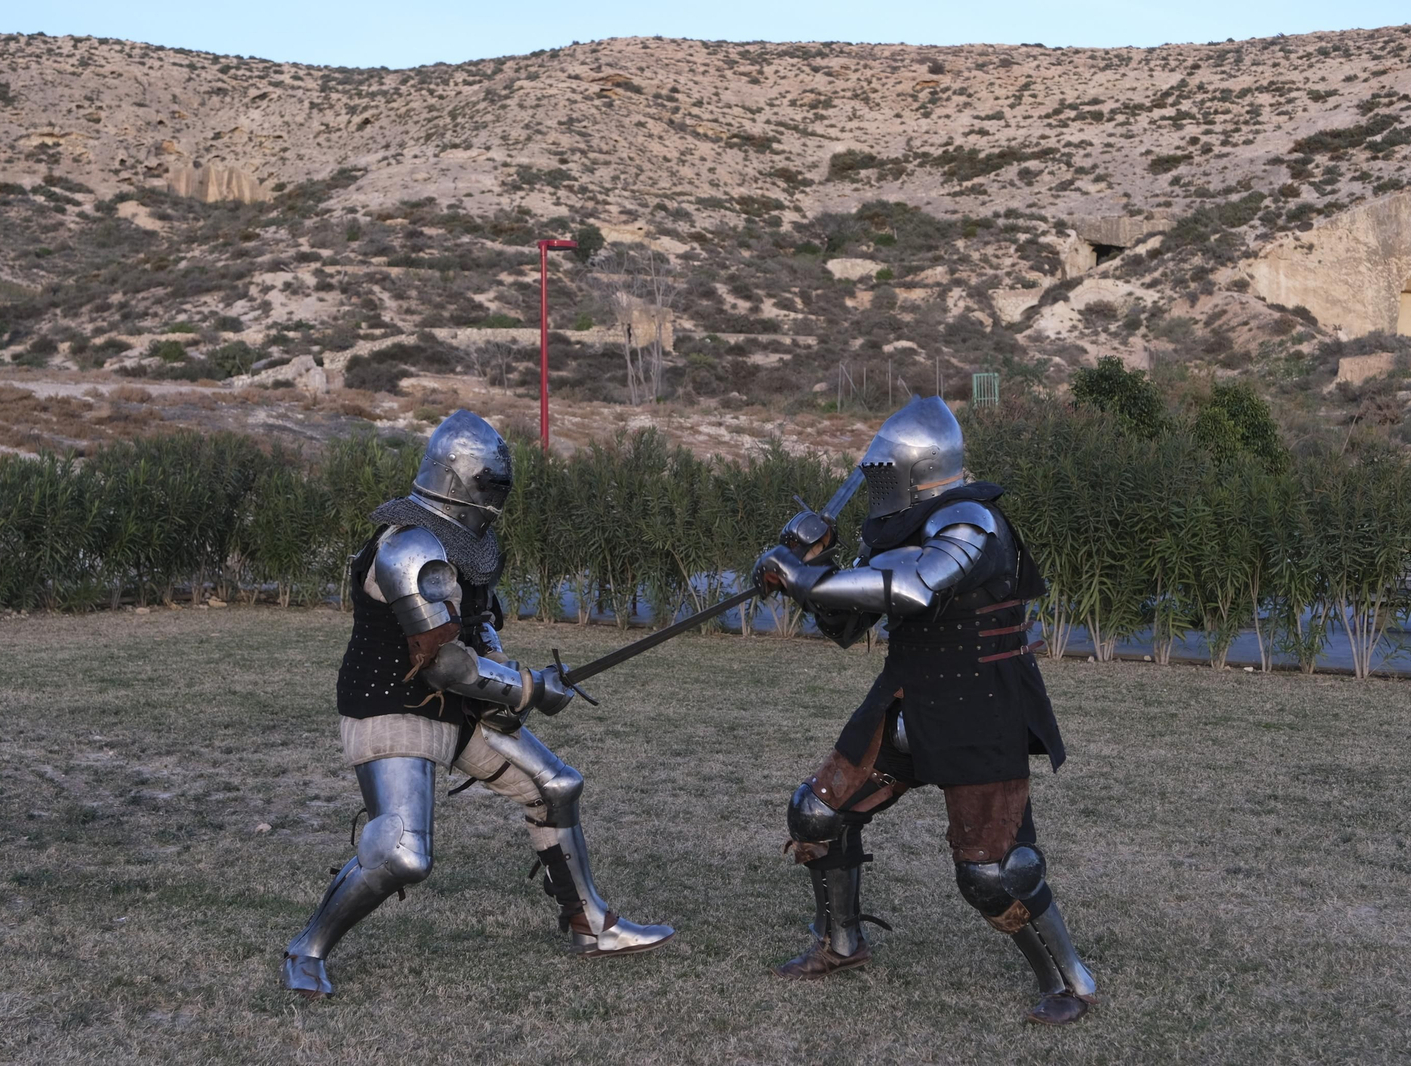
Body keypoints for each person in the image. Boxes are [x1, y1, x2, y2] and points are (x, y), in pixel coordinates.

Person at [281, 410, 674, 997]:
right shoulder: (408, 548)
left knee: (555, 787)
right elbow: (442, 660)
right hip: (393, 705)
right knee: (404, 854)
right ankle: (306, 949)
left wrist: (510, 680)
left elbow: (475, 630)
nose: (494, 498)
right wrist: (530, 688)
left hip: (455, 707)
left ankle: (590, 925)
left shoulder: (464, 544)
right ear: (456, 479)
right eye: (487, 485)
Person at [752, 395, 1097, 1025]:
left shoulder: (972, 521)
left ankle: (1069, 982)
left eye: (883, 473)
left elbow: (912, 588)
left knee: (993, 873)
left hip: (980, 703)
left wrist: (803, 580)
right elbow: (849, 622)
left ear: (913, 468)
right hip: (907, 693)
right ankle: (841, 941)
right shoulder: (900, 525)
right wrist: (806, 571)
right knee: (817, 813)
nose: (876, 486)